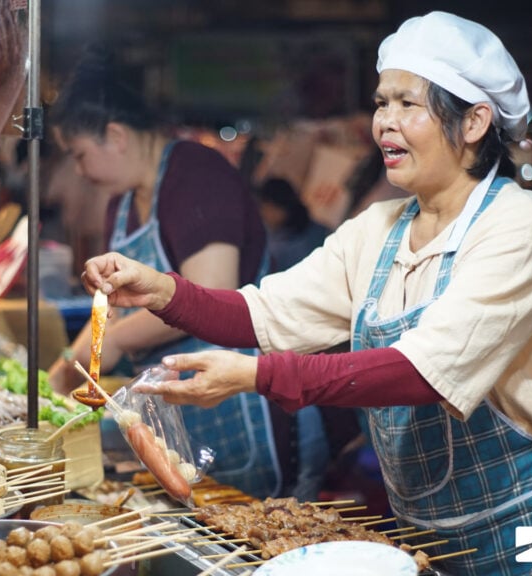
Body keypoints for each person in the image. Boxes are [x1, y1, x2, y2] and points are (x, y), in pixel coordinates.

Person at [77, 12, 532, 576]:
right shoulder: (380, 229)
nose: (384, 122)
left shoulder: (520, 224)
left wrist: (256, 376)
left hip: (527, 526)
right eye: (381, 102)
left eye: (407, 104)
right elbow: (264, 312)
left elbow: (421, 372)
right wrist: (162, 290)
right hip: (421, 532)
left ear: (473, 123)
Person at [45, 47, 327, 501]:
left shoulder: (195, 174)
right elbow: (120, 303)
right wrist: (73, 363)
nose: (78, 171)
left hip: (251, 411)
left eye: (78, 155)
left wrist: (114, 341)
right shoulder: (123, 202)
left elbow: (213, 290)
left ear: (115, 136)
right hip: (184, 419)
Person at [256, 178, 331, 272]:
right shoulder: (320, 229)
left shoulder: (280, 250)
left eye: (264, 207)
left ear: (277, 208)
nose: (262, 213)